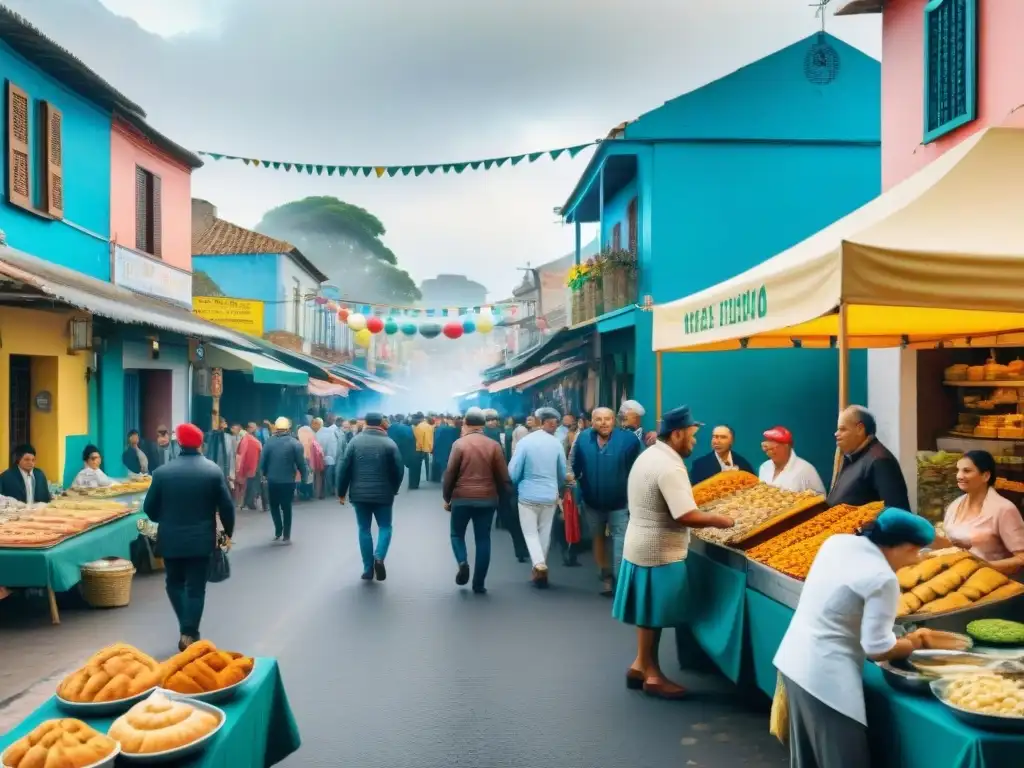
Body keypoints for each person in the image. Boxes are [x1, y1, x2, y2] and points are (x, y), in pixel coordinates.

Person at [774, 508, 948, 767]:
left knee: (808, 758)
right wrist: (916, 642)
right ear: (901, 545)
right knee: (842, 758)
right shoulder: (883, 577)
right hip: (826, 679)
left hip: (794, 661)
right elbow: (877, 648)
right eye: (914, 552)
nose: (915, 561)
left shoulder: (838, 542)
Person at [614, 406, 734, 699]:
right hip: (660, 551)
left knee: (647, 611)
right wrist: (722, 520)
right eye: (692, 435)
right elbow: (685, 515)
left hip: (638, 542)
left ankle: (640, 663)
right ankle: (653, 676)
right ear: (677, 434)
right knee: (655, 614)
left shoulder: (650, 455)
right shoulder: (671, 466)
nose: (695, 441)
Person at [143, 423, 234, 652]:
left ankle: (187, 629)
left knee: (173, 583)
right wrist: (227, 536)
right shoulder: (213, 471)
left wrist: (165, 517)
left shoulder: (162, 473)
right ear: (200, 444)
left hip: (171, 540)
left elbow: (150, 509)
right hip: (201, 542)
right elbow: (227, 509)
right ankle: (189, 631)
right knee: (196, 588)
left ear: (179, 443)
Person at [572, 406, 642, 596]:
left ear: (615, 421)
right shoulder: (583, 439)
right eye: (599, 419)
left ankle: (620, 583)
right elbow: (575, 467)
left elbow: (638, 469)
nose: (603, 423)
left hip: (620, 502)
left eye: (607, 419)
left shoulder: (629, 440)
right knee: (598, 536)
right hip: (592, 502)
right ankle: (606, 575)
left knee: (620, 540)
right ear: (592, 422)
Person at [443, 407, 511, 594]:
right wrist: (504, 498)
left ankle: (463, 562)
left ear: (465, 423)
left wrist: (447, 497)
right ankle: (479, 583)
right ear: (483, 424)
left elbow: (450, 473)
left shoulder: (459, 445)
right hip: (487, 499)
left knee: (457, 534)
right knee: (483, 539)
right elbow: (503, 476)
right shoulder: (494, 446)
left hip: (461, 498)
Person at [931, 450, 1024, 575]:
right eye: (958, 470)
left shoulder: (1004, 509)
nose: (959, 476)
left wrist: (986, 566)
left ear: (985, 476)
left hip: (991, 583)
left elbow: (1021, 558)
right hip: (956, 576)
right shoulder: (954, 506)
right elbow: (951, 546)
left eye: (967, 471)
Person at [337, 412, 405, 581]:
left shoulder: (354, 441)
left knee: (364, 529)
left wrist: (341, 492)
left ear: (366, 423)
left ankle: (368, 569)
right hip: (384, 494)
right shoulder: (389, 443)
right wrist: (394, 488)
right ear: (382, 423)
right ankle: (379, 557)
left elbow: (344, 468)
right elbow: (399, 469)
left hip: (359, 495)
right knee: (385, 527)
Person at [508, 407, 567, 587]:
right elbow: (562, 472)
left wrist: (517, 482)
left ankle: (539, 564)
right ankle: (539, 568)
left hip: (527, 495)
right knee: (545, 531)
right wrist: (558, 488)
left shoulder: (524, 443)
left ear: (537, 421)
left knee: (530, 532)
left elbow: (514, 471)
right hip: (549, 495)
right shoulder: (556, 443)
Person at [828, 405, 910, 510]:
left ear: (860, 429)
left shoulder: (880, 461)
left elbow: (895, 514)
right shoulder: (851, 458)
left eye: (842, 429)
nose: (836, 434)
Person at [260, 417, 305, 544]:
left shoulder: (269, 442)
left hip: (272, 480)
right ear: (288, 428)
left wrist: (261, 475)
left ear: (276, 428)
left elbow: (262, 462)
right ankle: (286, 534)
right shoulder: (295, 443)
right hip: (288, 481)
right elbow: (301, 463)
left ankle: (278, 530)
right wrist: (305, 476)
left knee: (274, 506)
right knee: (286, 507)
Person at [757, 426, 826, 494]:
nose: (770, 452)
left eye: (774, 448)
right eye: (767, 449)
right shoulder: (764, 467)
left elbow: (821, 498)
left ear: (787, 446)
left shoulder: (806, 469)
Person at [689, 424, 755, 485]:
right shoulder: (699, 465)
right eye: (715, 437)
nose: (717, 441)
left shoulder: (743, 463)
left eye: (723, 437)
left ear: (732, 441)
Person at [234, 424, 262, 509]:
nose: (255, 429)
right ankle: (249, 502)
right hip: (253, 464)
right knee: (251, 484)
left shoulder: (248, 438)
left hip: (251, 464)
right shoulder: (250, 439)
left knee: (249, 484)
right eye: (253, 427)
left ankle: (246, 502)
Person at [431, 416, 459, 483]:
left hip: (440, 448)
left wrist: (433, 448)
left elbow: (435, 439)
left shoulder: (438, 429)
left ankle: (436, 478)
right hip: (450, 448)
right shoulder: (455, 429)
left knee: (439, 463)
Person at [413, 412, 434, 486]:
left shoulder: (418, 427)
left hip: (420, 449)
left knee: (418, 465)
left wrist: (419, 447)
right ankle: (429, 477)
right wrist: (431, 448)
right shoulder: (430, 426)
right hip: (428, 448)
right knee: (428, 464)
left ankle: (417, 481)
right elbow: (430, 439)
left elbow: (418, 439)